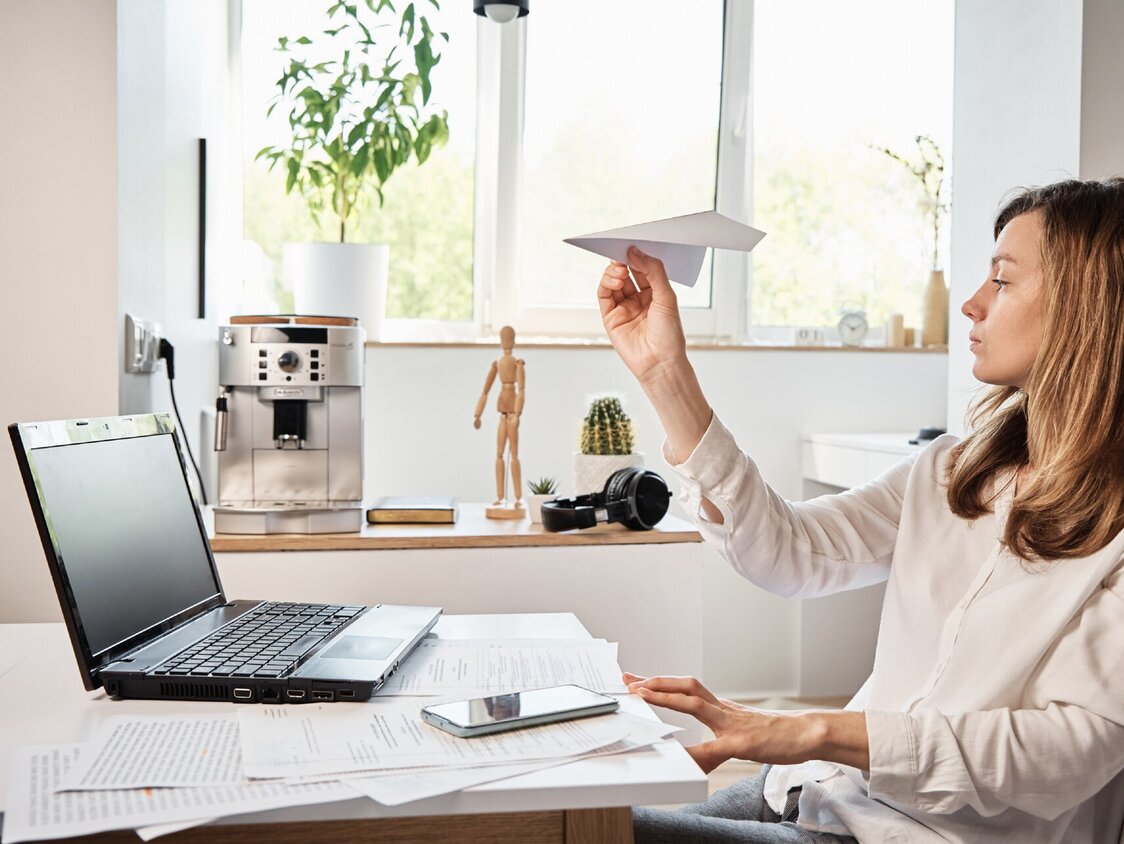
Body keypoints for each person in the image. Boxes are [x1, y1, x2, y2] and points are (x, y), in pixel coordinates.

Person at [596, 178, 1124, 843]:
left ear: (1086, 307)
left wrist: (808, 729)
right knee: (574, 824)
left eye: (1002, 280)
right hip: (815, 786)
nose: (971, 303)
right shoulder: (953, 469)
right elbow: (791, 552)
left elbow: (1067, 752)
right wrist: (664, 374)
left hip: (913, 833)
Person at [474, 324, 526, 512]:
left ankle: (518, 497)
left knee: (514, 455)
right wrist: (477, 414)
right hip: (503, 415)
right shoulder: (497, 364)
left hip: (512, 415)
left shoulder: (517, 364)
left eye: (508, 338)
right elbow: (485, 391)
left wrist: (518, 414)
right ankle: (500, 496)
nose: (506, 341)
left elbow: (522, 390)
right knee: (499, 455)